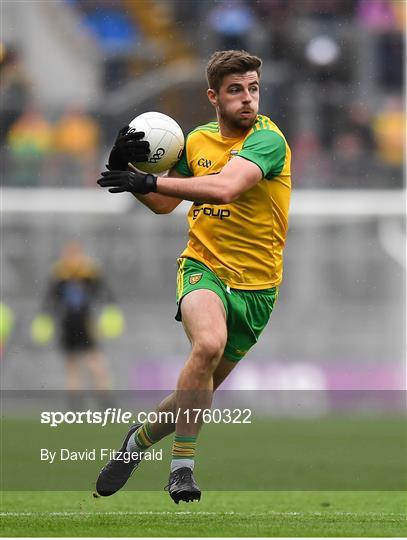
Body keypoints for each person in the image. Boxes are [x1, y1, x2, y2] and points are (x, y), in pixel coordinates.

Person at [95, 50, 291, 504]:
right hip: (203, 266)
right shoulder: (197, 141)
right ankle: (182, 466)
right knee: (206, 345)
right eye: (236, 90)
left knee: (195, 389)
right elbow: (164, 204)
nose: (248, 99)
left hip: (258, 289)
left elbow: (224, 186)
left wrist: (152, 183)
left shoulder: (268, 140)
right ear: (213, 97)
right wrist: (127, 173)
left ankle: (135, 443)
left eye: (253, 88)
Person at [32, 241, 121, 398]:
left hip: (84, 323)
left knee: (93, 363)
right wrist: (45, 318)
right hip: (69, 324)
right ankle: (77, 404)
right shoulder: (61, 274)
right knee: (74, 365)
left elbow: (106, 295)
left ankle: (104, 398)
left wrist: (110, 312)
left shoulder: (88, 272)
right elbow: (49, 301)